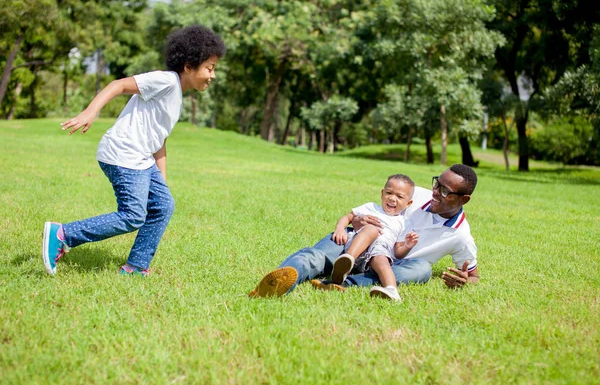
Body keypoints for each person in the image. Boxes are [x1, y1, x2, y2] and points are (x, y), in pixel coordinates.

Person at [41, 25, 226, 276]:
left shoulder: (176, 96)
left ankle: (135, 267)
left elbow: (159, 140)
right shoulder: (166, 80)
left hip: (140, 157)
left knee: (163, 205)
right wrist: (90, 111)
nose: (212, 75)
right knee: (132, 215)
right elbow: (118, 85)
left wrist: (161, 181)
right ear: (188, 66)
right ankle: (63, 234)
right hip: (123, 153)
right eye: (210, 68)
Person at [248, 164, 479, 299]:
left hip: (387, 260)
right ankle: (276, 283)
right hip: (357, 242)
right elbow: (377, 209)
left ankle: (343, 284)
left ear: (464, 199)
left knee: (422, 269)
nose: (435, 192)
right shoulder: (415, 193)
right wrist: (358, 221)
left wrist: (464, 281)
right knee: (317, 256)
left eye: (445, 191)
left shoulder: (460, 236)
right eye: (436, 183)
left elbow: (474, 277)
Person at [329, 174, 419, 301]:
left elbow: (398, 253)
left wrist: (408, 246)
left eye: (399, 196)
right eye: (389, 193)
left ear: (408, 203)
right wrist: (339, 229)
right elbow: (347, 217)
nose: (392, 198)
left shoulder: (404, 223)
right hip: (357, 245)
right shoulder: (370, 207)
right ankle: (347, 263)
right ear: (382, 193)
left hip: (378, 252)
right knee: (372, 229)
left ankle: (391, 290)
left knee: (382, 259)